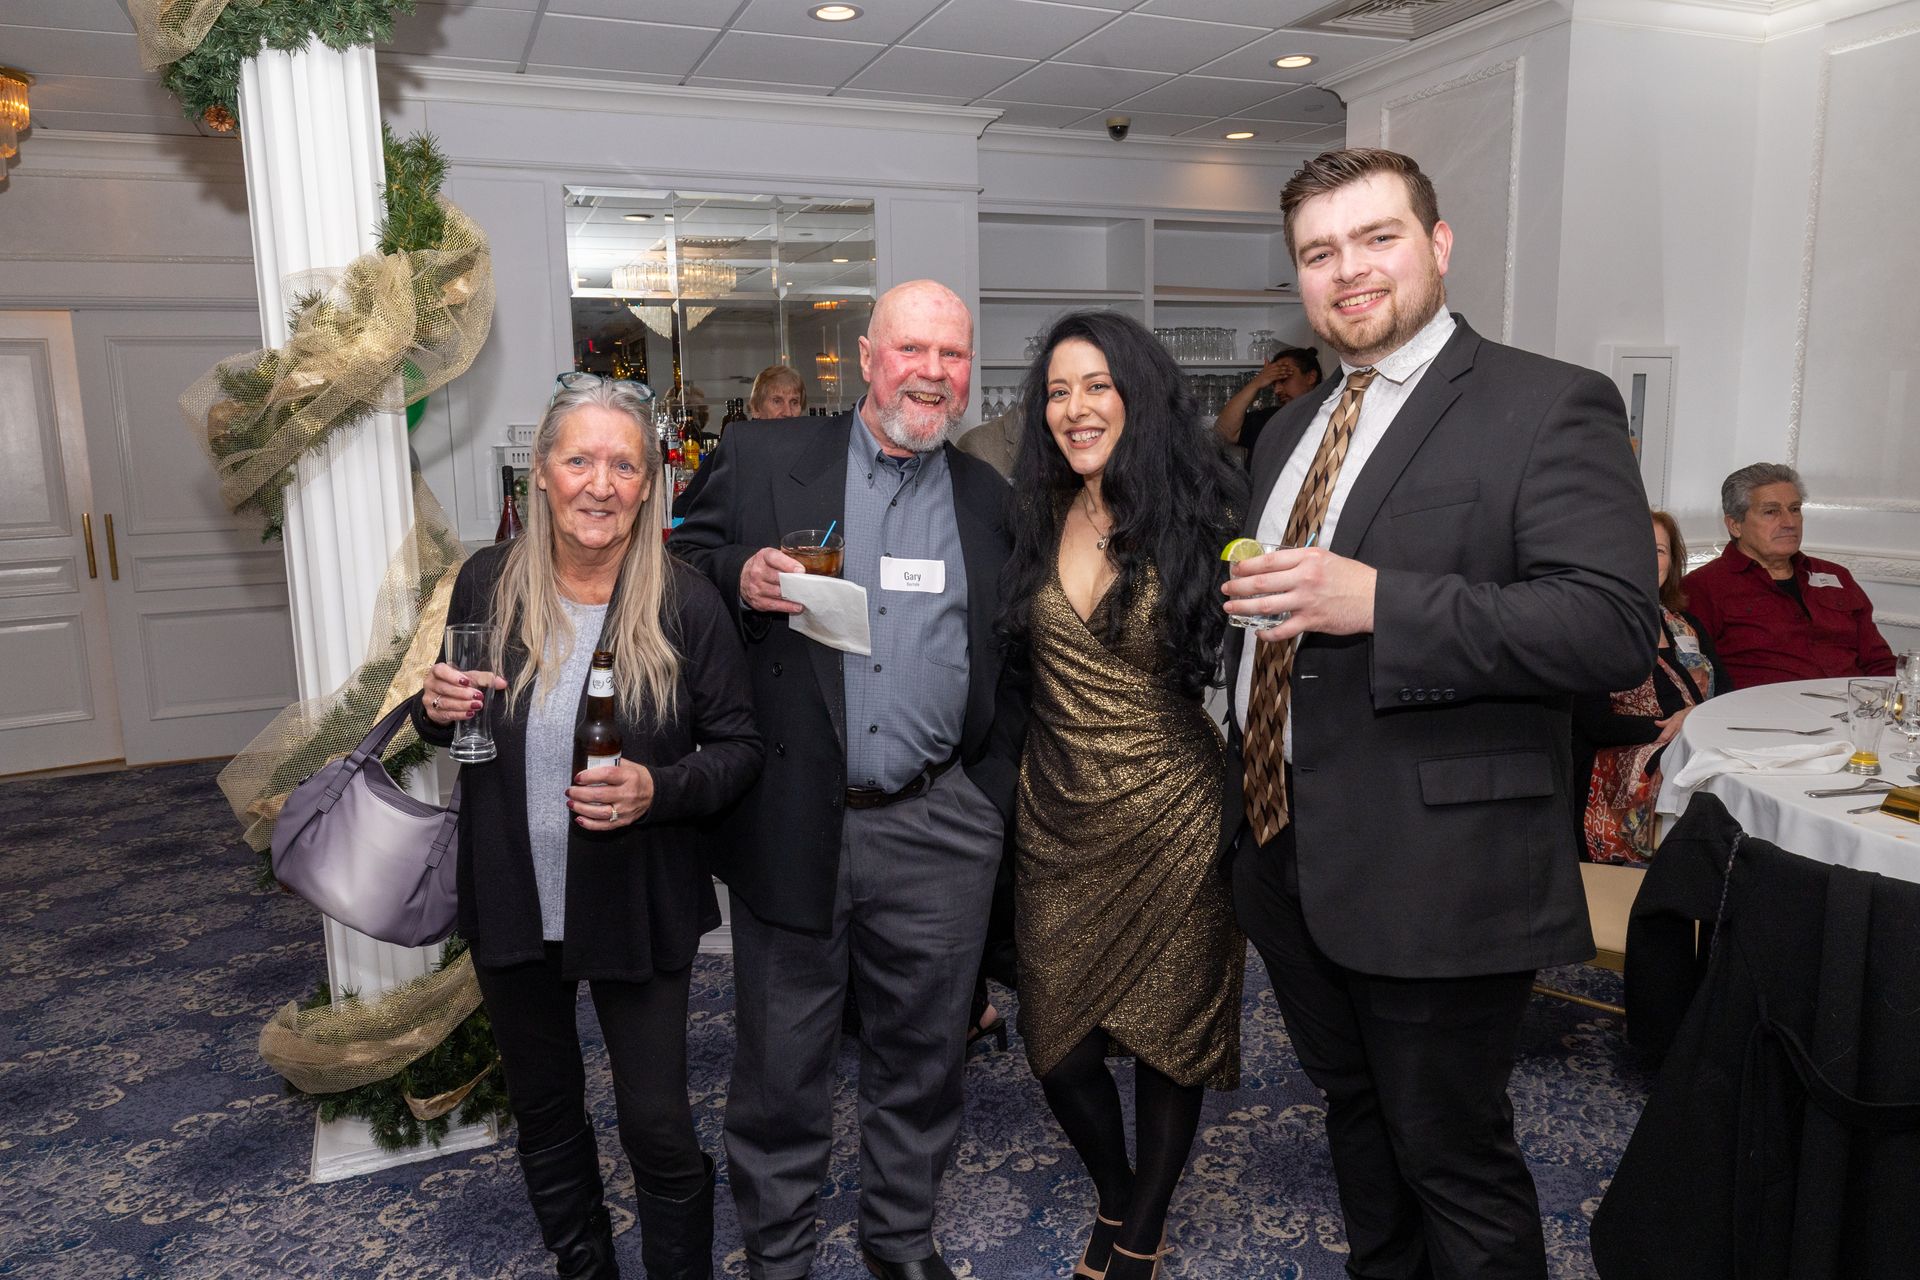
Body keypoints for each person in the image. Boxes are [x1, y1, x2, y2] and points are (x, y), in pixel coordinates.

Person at [1220, 148, 1659, 1280]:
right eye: (1319, 252)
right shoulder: (1289, 427)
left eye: (1377, 238)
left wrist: (1380, 602)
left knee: (1452, 1154)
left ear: (1440, 243)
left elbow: (1609, 625)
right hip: (1285, 849)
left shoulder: (1547, 401)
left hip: (1440, 865)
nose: (1348, 270)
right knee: (1357, 1119)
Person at [670, 280, 1024, 1280]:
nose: (933, 372)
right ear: (868, 358)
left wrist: (982, 799)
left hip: (938, 824)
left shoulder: (988, 500)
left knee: (922, 1059)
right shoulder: (769, 454)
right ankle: (779, 1255)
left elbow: (1016, 661)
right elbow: (677, 560)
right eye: (913, 349)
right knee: (783, 1063)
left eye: (952, 355)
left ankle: (900, 1240)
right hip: (794, 814)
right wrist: (738, 570)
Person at [413, 373, 762, 1279]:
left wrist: (661, 789)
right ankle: (585, 1266)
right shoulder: (486, 583)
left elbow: (740, 749)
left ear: (651, 485)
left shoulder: (686, 602)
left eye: (623, 464)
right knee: (547, 1108)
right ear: (541, 472)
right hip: (512, 896)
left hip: (635, 899)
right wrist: (432, 707)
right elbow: (454, 718)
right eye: (579, 460)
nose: (599, 483)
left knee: (656, 1122)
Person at [997, 310, 1246, 1280]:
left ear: (1136, 391)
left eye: (1095, 384)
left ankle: (1139, 1228)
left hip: (1176, 822)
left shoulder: (1205, 509)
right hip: (1057, 823)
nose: (1075, 407)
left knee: (1169, 1039)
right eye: (1058, 390)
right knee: (1055, 1044)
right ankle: (1114, 1185)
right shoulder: (1027, 514)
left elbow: (1255, 661)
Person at [1573, 511, 1728, 863]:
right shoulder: (1592, 626)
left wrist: (1694, 719)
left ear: (1671, 562)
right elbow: (1591, 722)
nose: (1648, 559)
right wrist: (1672, 729)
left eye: (1659, 550)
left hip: (1697, 743)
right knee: (1703, 776)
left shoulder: (1687, 626)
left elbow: (1727, 696)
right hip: (1622, 755)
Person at [1682, 462, 1895, 688]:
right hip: (1766, 716)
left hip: (1857, 711)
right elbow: (1696, 678)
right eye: (1771, 512)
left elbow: (1879, 662)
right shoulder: (1702, 588)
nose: (1789, 523)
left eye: (1795, 509)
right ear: (1735, 525)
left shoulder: (1837, 576)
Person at [1212, 345, 1323, 457]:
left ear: (1311, 377)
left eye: (1284, 379)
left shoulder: (1328, 419)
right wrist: (1256, 383)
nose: (1277, 390)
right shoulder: (1271, 418)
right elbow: (1223, 433)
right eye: (1274, 383)